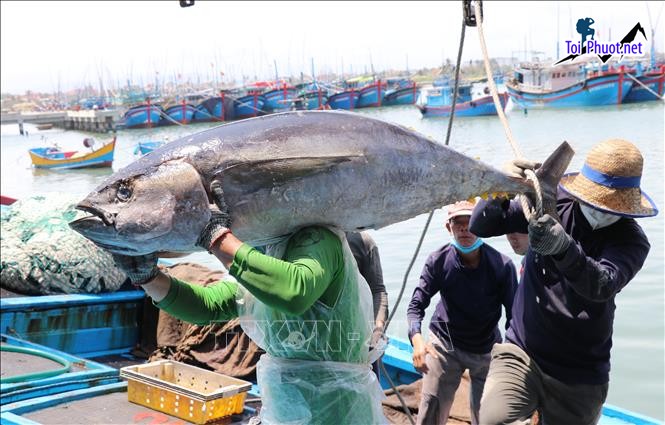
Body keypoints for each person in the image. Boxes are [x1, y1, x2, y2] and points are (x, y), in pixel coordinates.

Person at [111, 182, 387, 424]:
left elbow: (294, 291)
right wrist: (148, 278)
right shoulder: (267, 249)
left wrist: (217, 236)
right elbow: (210, 305)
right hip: (286, 407)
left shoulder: (317, 238)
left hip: (337, 410)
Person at [470, 139, 657, 424]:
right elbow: (481, 226)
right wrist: (501, 186)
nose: (600, 209)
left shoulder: (631, 241)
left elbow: (601, 284)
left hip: (581, 372)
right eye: (595, 201)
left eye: (610, 205)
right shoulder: (551, 200)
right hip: (523, 350)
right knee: (494, 420)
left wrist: (563, 247)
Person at [406, 200, 518, 425]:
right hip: (444, 344)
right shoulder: (438, 260)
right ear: (449, 227)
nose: (464, 228)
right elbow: (415, 307)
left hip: (486, 348)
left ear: (482, 227)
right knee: (430, 411)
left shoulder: (502, 266)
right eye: (458, 223)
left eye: (471, 222)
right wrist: (417, 340)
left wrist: (511, 357)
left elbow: (514, 318)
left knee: (488, 417)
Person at [346, 231, 389, 370]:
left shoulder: (362, 241)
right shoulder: (301, 240)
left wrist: (378, 329)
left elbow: (377, 291)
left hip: (359, 337)